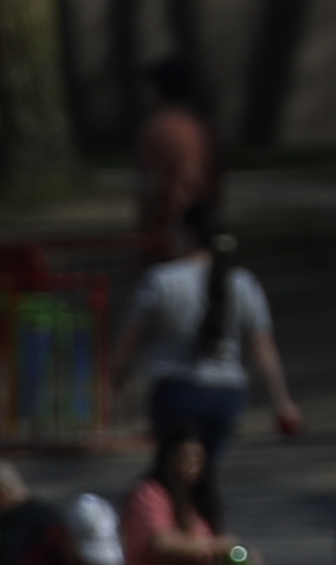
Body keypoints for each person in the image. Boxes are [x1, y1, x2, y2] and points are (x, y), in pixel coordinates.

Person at [111, 211, 303, 468]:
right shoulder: (242, 282)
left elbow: (130, 337)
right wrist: (282, 402)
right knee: (205, 471)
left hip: (175, 390)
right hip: (225, 393)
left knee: (172, 469)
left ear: (187, 235)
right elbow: (263, 346)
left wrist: (119, 376)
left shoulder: (161, 280)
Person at [114, 431, 225, 565]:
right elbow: (160, 543)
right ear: (167, 456)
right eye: (183, 455)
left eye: (197, 458)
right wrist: (218, 546)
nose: (190, 463)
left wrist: (234, 557)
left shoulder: (198, 500)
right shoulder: (149, 494)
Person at [130, 56, 216, 260]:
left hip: (167, 233)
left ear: (159, 90)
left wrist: (143, 233)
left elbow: (152, 184)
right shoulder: (204, 128)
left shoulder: (158, 129)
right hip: (203, 231)